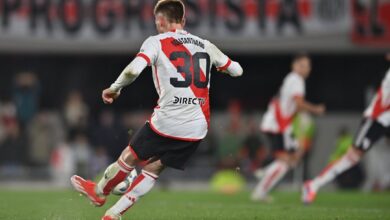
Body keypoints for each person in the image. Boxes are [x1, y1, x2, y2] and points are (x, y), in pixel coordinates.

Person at [70, 1, 243, 219]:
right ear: (184, 20)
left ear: (159, 21)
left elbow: (133, 70)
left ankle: (98, 192)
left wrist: (114, 89)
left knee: (129, 157)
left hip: (167, 122)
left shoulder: (156, 42)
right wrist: (221, 66)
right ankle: (113, 215)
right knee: (153, 170)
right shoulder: (205, 45)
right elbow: (237, 70)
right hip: (197, 128)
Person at [302, 55, 390, 204]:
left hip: (384, 120)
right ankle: (313, 185)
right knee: (353, 156)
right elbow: (384, 102)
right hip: (376, 119)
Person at [251, 54, 325, 202]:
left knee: (294, 157)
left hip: (280, 124)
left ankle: (265, 172)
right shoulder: (296, 80)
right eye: (303, 65)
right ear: (295, 66)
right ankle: (260, 191)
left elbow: (286, 104)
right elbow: (298, 104)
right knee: (285, 162)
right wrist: (316, 109)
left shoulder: (290, 79)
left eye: (308, 65)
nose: (306, 69)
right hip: (278, 125)